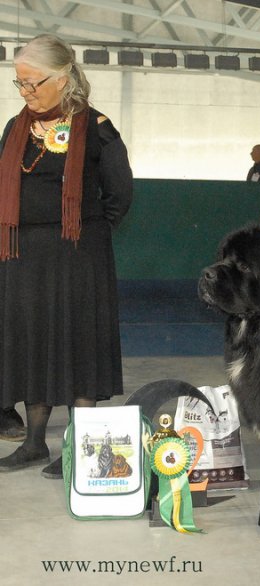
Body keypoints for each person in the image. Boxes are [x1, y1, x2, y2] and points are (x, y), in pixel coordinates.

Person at [0, 34, 133, 476]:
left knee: (79, 344)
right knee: (33, 343)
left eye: (33, 83)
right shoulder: (15, 129)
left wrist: (87, 234)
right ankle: (35, 443)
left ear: (63, 78)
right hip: (24, 259)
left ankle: (80, 448)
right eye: (19, 84)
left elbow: (120, 193)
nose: (26, 92)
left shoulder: (96, 127)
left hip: (79, 255)